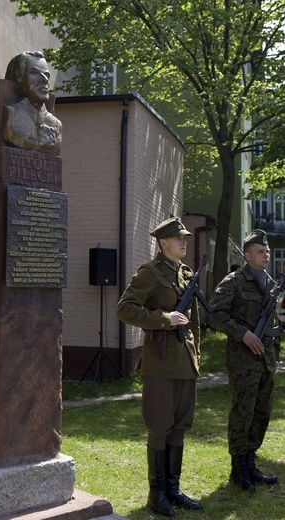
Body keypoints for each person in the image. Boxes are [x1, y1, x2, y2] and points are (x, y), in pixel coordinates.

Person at [116, 216, 203, 517]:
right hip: (161, 363)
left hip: (184, 362)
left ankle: (173, 489)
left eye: (185, 238)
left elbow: (195, 323)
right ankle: (157, 494)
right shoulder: (150, 273)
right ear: (163, 242)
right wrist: (164, 320)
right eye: (178, 238)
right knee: (159, 428)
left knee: (180, 426)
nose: (184, 242)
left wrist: (197, 356)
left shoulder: (186, 273)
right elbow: (125, 308)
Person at [208, 229, 279, 492]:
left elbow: (274, 323)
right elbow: (214, 314)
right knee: (243, 414)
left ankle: (251, 462)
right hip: (243, 362)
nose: (266, 255)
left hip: (266, 361)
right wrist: (243, 334)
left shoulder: (270, 283)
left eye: (268, 251)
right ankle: (238, 468)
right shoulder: (234, 281)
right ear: (248, 255)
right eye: (261, 251)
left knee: (262, 414)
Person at [3, 51, 62, 155]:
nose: (44, 79)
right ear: (20, 76)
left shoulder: (55, 124)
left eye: (47, 75)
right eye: (34, 72)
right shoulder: (11, 114)